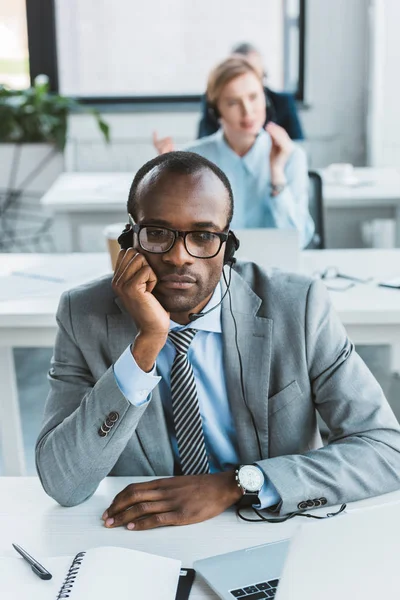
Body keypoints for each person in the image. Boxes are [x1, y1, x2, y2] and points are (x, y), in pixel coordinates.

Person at [36, 151, 400, 531]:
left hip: (276, 528)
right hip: (144, 540)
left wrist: (236, 484)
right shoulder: (83, 314)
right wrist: (146, 345)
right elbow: (64, 484)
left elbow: (386, 449)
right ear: (130, 239)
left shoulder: (299, 306)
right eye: (158, 233)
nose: (179, 257)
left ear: (228, 246)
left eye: (204, 235)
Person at [153, 56, 314, 248]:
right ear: (216, 111)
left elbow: (299, 241)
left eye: (254, 97)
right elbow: (174, 235)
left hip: (274, 270)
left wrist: (277, 174)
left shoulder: (292, 156)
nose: (248, 111)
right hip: (214, 271)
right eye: (233, 103)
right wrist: (167, 183)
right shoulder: (192, 159)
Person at [198, 42, 304, 141]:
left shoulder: (283, 102)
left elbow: (299, 143)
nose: (247, 111)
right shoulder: (212, 103)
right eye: (233, 102)